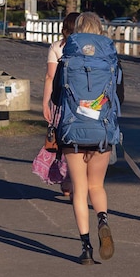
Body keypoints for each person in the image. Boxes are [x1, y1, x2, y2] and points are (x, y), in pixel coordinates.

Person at [52, 12, 124, 265]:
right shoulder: (111, 61)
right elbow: (119, 98)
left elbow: (55, 97)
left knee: (79, 190)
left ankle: (86, 248)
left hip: (73, 131)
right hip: (101, 131)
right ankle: (102, 219)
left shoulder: (67, 60)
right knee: (97, 186)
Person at [43, 11, 79, 196]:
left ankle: (67, 180)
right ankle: (77, 180)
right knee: (81, 141)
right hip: (85, 103)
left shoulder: (57, 47)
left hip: (61, 101)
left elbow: (50, 76)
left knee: (64, 142)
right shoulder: (89, 48)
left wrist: (45, 103)